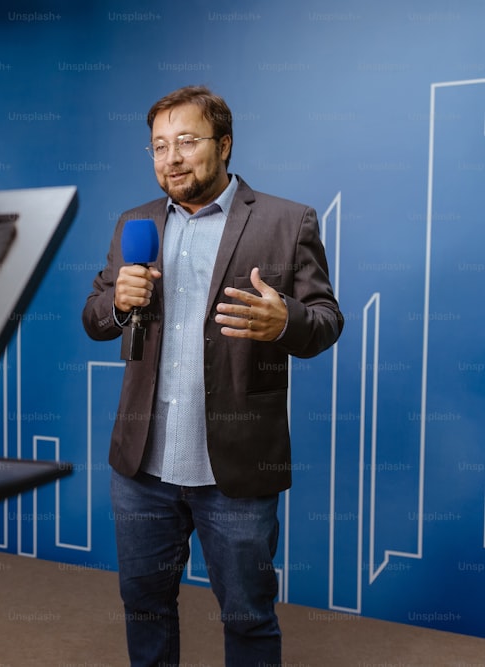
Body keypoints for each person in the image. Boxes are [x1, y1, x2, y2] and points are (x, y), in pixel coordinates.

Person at [81, 85, 343, 666]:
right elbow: (95, 317)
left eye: (186, 142)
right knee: (144, 607)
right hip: (142, 466)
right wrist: (118, 304)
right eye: (158, 147)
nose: (170, 159)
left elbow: (326, 322)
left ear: (223, 144)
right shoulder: (135, 223)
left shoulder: (285, 220)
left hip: (237, 469)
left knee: (249, 617)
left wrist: (284, 321)